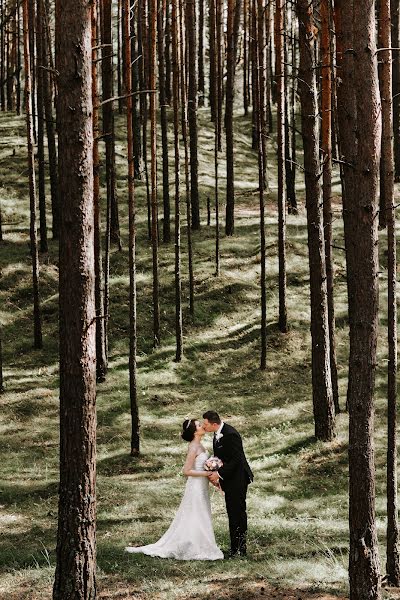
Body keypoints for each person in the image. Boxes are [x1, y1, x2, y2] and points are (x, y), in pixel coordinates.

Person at [124, 419, 223, 560]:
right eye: (199, 425)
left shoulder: (200, 445)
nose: (203, 426)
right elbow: (187, 471)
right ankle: (192, 545)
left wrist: (214, 481)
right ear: (195, 431)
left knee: (202, 513)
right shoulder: (193, 447)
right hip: (195, 486)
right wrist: (206, 473)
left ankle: (200, 543)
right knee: (195, 513)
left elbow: (202, 468)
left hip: (202, 485)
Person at [202, 410, 253, 558]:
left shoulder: (230, 434)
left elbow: (236, 460)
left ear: (214, 424)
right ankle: (234, 548)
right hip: (229, 479)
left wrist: (219, 474)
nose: (204, 426)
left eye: (206, 424)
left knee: (238, 513)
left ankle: (241, 549)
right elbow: (223, 457)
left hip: (238, 479)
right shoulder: (217, 434)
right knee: (232, 513)